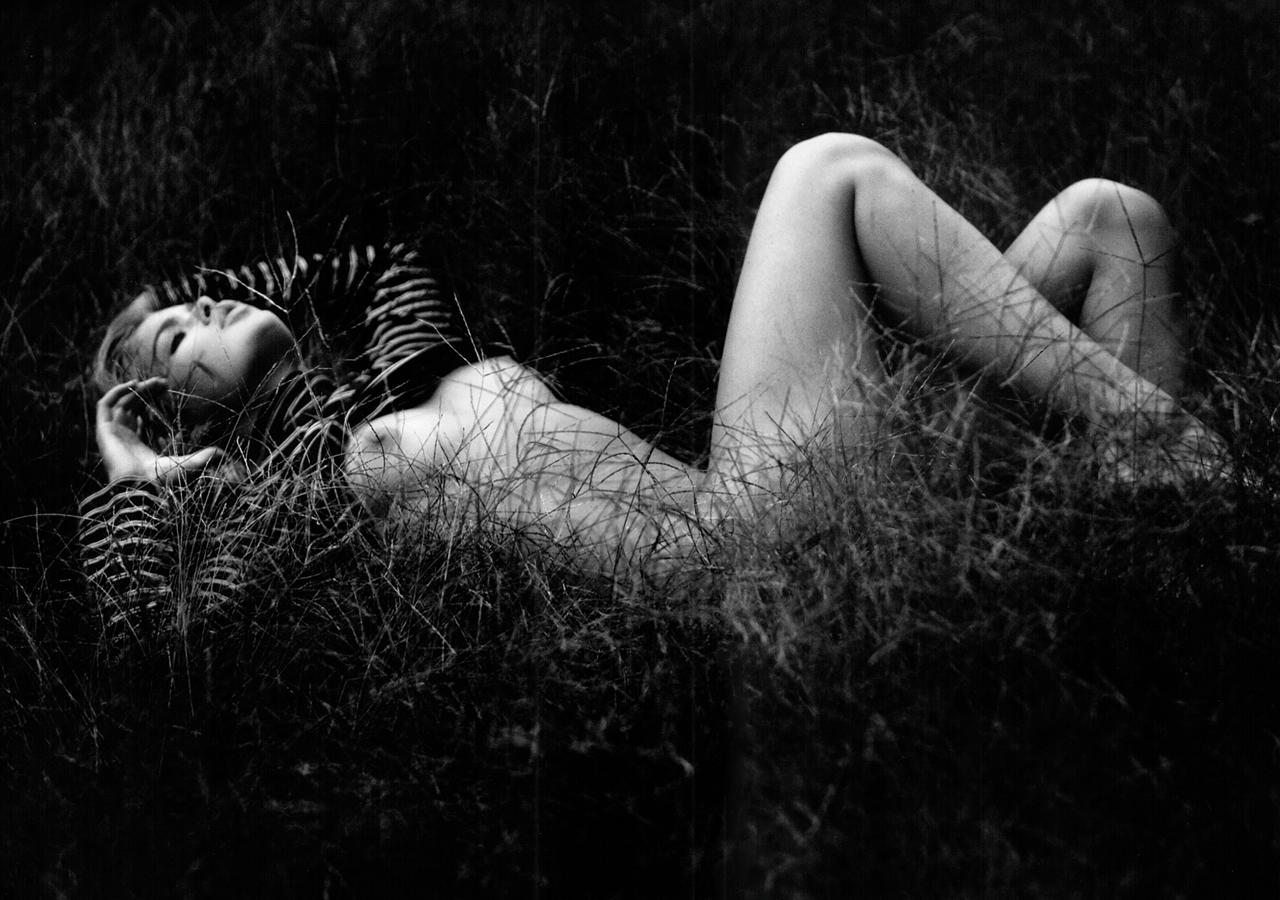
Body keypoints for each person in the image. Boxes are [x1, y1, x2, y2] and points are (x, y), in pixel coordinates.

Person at [82, 133, 1227, 637]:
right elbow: (148, 631)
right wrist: (134, 469)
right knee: (822, 170)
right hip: (742, 556)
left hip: (788, 498)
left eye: (205, 294)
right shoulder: (290, 501)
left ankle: (1153, 554)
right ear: (176, 419)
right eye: (176, 337)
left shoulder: (404, 368)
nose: (205, 308)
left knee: (1109, 221)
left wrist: (212, 297)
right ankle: (1165, 447)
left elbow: (377, 265)